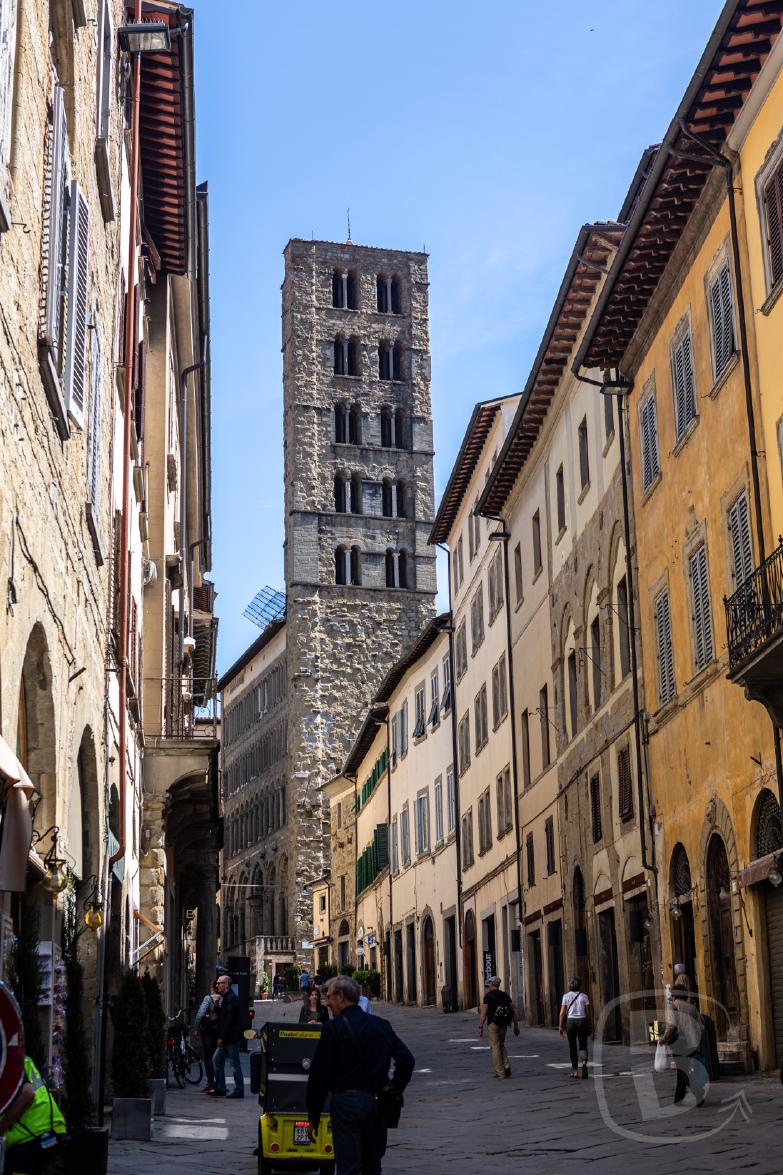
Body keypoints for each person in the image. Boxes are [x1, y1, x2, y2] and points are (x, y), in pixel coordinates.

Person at [307, 976, 414, 1175]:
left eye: (329, 997)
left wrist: (314, 1115)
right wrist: (393, 1089)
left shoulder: (333, 1028)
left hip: (346, 1103)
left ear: (341, 997)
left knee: (348, 1167)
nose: (327, 1003)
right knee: (372, 1165)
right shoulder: (381, 1025)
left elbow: (319, 1075)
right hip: (377, 1103)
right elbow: (407, 1060)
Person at [1, 1054, 68, 1174]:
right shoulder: (17, 1055)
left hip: (31, 1137)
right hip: (54, 1130)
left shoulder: (4, 1059)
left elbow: (27, 1094)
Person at [660, 976, 708, 1105]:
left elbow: (671, 1026)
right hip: (692, 1043)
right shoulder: (692, 1008)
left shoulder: (673, 1007)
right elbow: (701, 1026)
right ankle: (678, 1097)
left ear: (674, 995)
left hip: (679, 1043)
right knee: (682, 1069)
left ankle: (698, 1093)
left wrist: (663, 1039)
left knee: (683, 1070)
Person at [208, 973, 245, 1099]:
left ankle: (239, 1090)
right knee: (217, 1060)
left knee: (234, 1064)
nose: (217, 985)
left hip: (230, 1038)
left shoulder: (231, 999)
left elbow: (228, 1021)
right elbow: (222, 1015)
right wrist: (216, 1004)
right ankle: (221, 1088)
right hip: (226, 1038)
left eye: (220, 983)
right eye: (217, 983)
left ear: (227, 985)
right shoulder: (226, 998)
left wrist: (221, 1038)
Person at [477, 976, 519, 1079]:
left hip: (493, 1024)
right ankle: (506, 1066)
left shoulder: (488, 996)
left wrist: (480, 1026)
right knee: (501, 1045)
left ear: (492, 984)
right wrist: (516, 1025)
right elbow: (513, 1011)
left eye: (489, 983)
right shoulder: (505, 995)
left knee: (495, 1047)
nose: (488, 985)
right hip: (504, 1024)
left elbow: (484, 1013)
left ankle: (500, 1072)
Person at [559, 978, 592, 1079]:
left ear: (569, 986)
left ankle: (575, 1072)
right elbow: (588, 1012)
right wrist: (588, 1023)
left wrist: (560, 1026)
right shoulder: (584, 996)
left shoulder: (566, 996)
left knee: (572, 1046)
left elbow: (562, 1013)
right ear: (579, 986)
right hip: (582, 1021)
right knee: (583, 1045)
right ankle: (584, 1063)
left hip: (570, 1022)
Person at [194, 980, 222, 1093]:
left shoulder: (208, 998)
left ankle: (211, 1084)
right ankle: (220, 1084)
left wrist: (196, 1028)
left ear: (212, 988)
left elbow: (200, 1014)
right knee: (219, 1059)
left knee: (208, 1058)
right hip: (220, 1032)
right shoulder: (224, 998)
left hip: (208, 1031)